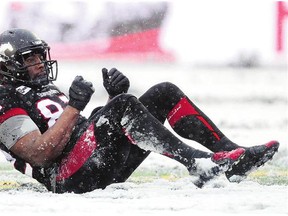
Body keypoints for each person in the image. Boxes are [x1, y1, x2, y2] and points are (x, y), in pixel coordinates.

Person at [0, 28, 279, 193]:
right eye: (30, 58)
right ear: (7, 65)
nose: (39, 63)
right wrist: (76, 106)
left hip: (89, 161)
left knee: (163, 92)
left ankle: (231, 156)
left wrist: (113, 97)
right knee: (122, 106)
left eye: (39, 55)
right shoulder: (4, 101)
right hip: (67, 178)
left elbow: (83, 131)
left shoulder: (39, 89)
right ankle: (200, 162)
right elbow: (39, 154)